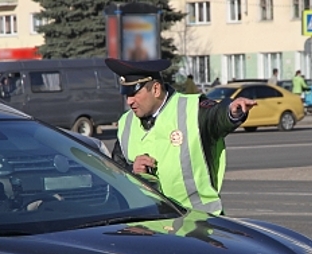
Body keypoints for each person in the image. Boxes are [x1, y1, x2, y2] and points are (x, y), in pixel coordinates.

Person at [104, 58, 257, 215]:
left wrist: (232, 111)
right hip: (150, 223)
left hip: (199, 223)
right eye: (126, 95)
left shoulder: (191, 109)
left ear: (156, 89)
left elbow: (215, 116)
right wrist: (132, 171)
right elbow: (116, 173)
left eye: (134, 93)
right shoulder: (126, 123)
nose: (129, 101)